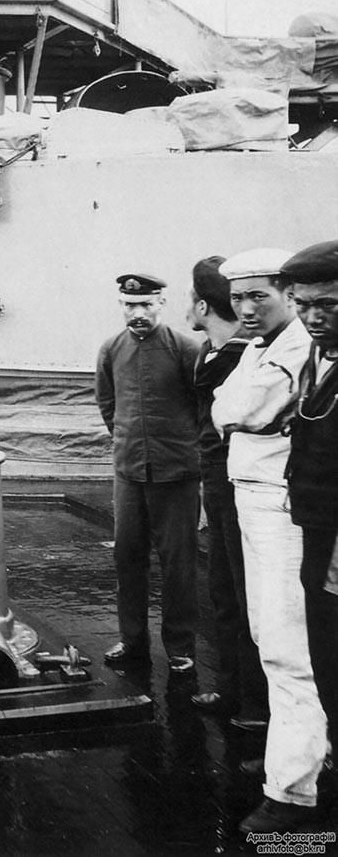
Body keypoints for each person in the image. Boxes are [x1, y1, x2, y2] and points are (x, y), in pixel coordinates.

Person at [212, 248, 327, 834]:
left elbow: (236, 408)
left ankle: (292, 798)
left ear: (286, 294)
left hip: (282, 508)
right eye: (237, 297)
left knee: (288, 649)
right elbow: (225, 411)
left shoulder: (297, 348)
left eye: (260, 295)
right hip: (254, 501)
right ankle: (301, 750)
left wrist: (236, 411)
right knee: (268, 636)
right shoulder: (262, 347)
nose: (246, 308)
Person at [95, 273, 202, 672]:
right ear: (121, 306)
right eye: (129, 305)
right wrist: (129, 443)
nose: (137, 313)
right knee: (128, 557)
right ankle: (132, 640)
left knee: (178, 562)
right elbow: (108, 405)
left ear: (161, 304)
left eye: (145, 305)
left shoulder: (186, 349)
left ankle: (180, 645)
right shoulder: (111, 350)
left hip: (177, 474)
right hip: (129, 473)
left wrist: (182, 451)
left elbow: (201, 408)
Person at [185, 257, 268, 728]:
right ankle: (233, 689)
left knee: (246, 592)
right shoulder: (211, 353)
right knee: (222, 590)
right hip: (215, 482)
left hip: (237, 482)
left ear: (201, 303)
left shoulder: (240, 356)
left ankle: (257, 705)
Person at [280, 240, 338, 744]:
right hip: (315, 526)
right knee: (323, 649)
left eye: (328, 305)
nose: (313, 317)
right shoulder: (318, 356)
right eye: (302, 305)